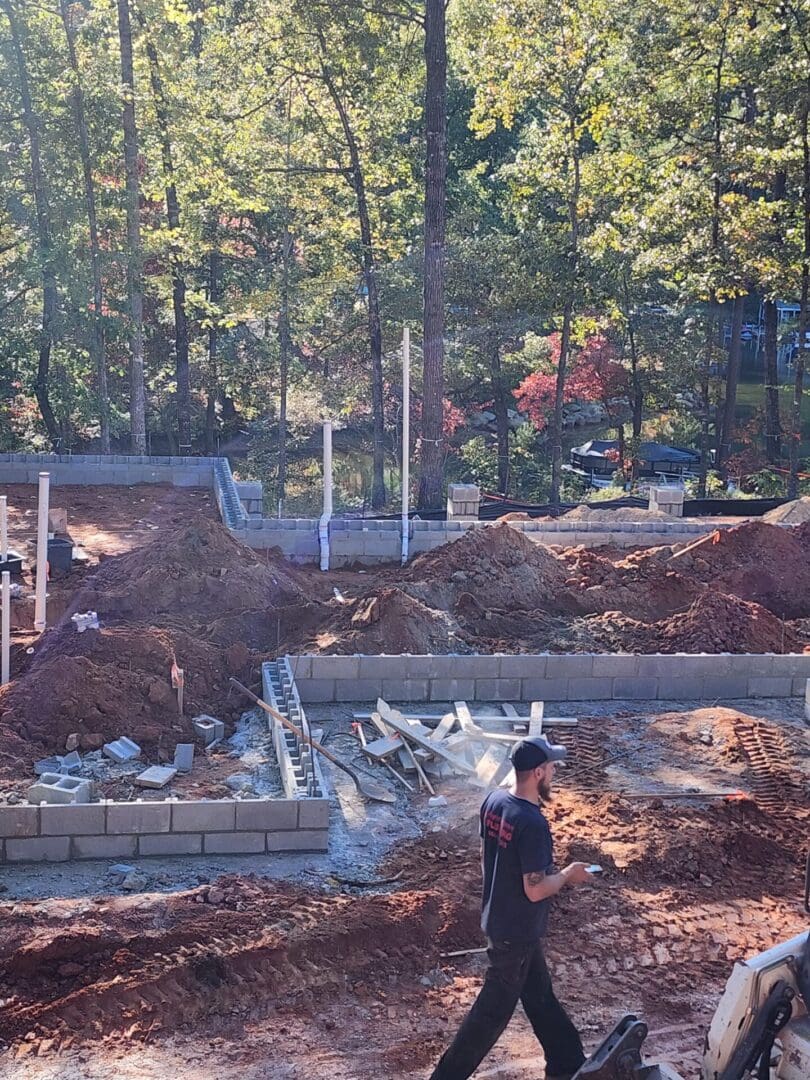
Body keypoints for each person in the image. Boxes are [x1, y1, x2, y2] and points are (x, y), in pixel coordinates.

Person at [429, 734, 595, 1080]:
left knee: (541, 999)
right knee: (488, 1019)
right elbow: (535, 890)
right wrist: (567, 875)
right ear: (537, 772)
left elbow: (490, 857)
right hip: (515, 934)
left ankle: (568, 1065)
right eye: (551, 767)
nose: (553, 772)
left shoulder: (494, 802)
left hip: (504, 922)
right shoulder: (532, 823)